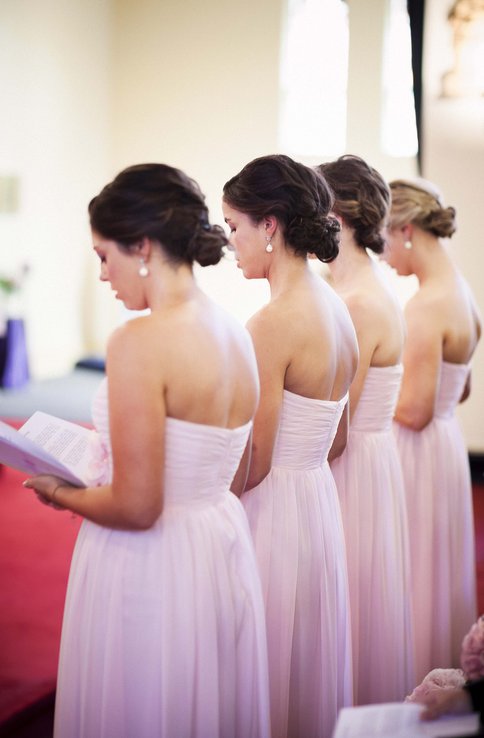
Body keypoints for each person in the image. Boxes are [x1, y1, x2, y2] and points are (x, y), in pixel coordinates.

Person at [23, 163, 271, 738]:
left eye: (105, 256)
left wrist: (60, 490)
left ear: (141, 246)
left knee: (145, 705)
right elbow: (225, 465)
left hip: (152, 562)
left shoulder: (139, 341)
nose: (104, 275)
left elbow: (138, 507)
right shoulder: (235, 330)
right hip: (217, 544)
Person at [222, 154, 359, 738]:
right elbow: (339, 439)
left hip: (273, 512)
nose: (230, 243)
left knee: (266, 661)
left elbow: (253, 462)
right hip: (316, 503)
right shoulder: (337, 306)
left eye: (234, 228)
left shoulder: (272, 322)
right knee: (303, 663)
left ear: (270, 226)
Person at [316, 155, 415, 705]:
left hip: (350, 468)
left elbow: (335, 428)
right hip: (373, 462)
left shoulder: (355, 304)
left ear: (338, 217)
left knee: (348, 600)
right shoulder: (367, 290)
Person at [383, 177, 482, 685]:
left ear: (405, 231)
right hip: (445, 446)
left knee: (416, 570)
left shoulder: (424, 305)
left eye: (382, 240)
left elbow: (415, 411)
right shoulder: (462, 293)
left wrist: (367, 403)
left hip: (418, 449)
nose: (382, 255)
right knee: (437, 568)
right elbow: (456, 393)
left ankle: (413, 678)